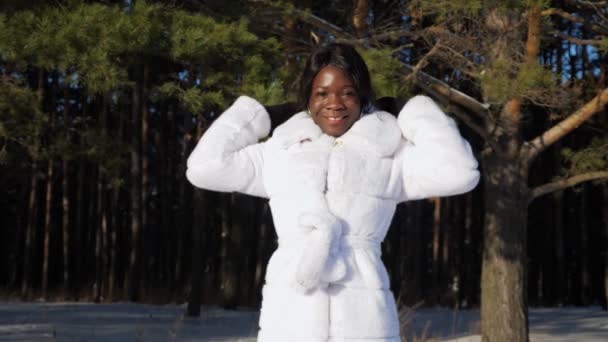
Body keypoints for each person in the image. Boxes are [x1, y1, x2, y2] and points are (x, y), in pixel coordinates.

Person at [186, 43, 479, 342]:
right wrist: (262, 115)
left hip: (363, 322)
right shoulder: (280, 152)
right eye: (322, 93)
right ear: (308, 99)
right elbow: (204, 167)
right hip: (290, 320)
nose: (335, 103)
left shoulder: (388, 155)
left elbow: (459, 171)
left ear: (362, 96)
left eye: (347, 92)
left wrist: (411, 110)